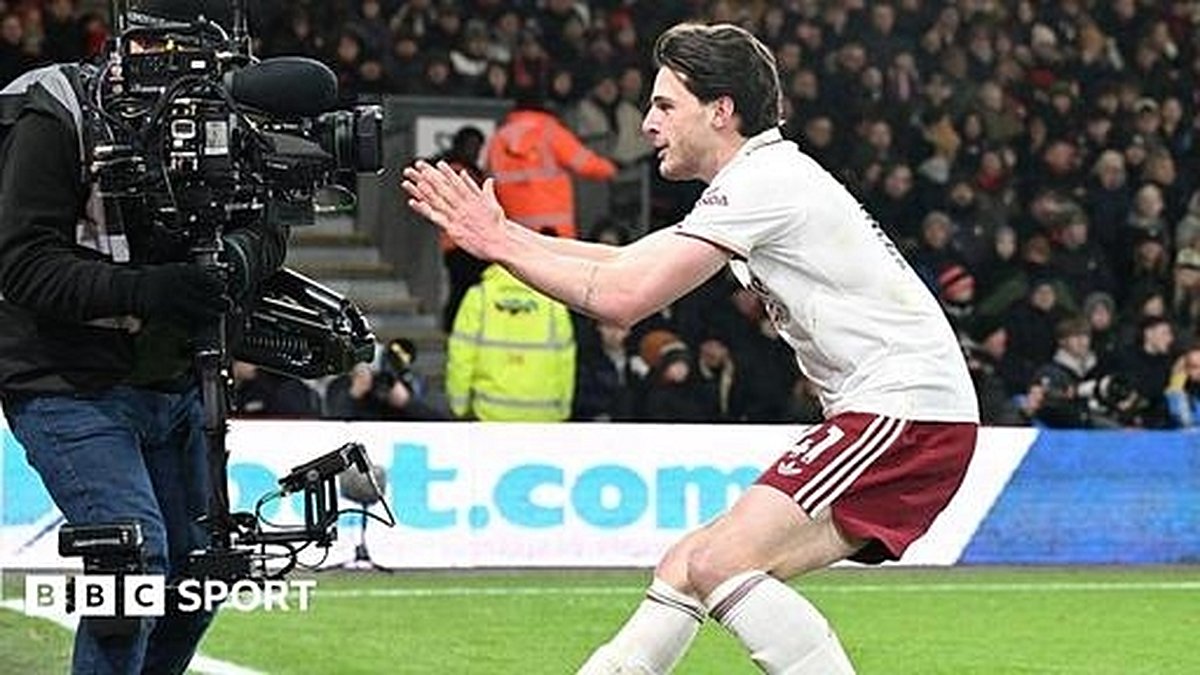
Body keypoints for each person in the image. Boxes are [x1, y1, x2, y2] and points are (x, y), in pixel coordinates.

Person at [404, 22, 978, 674]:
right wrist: (505, 234)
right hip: (912, 415)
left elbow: (622, 296)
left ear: (720, 110)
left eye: (664, 105)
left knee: (717, 563)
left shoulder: (762, 183)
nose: (649, 124)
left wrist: (499, 245)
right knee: (687, 565)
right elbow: (624, 261)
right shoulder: (765, 177)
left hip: (903, 413)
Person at [0, 2, 286, 673]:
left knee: (201, 574)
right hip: (65, 376)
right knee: (134, 565)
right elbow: (21, 263)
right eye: (162, 47)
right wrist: (150, 289)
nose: (178, 65)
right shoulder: (62, 109)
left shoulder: (238, 113)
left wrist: (234, 260)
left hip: (176, 376)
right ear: (127, 43)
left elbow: (271, 227)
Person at [483, 71, 617, 240]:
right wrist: (612, 168)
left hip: (514, 234)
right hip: (554, 234)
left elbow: (488, 181)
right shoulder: (550, 132)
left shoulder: (498, 140)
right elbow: (588, 165)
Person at [445, 263, 576, 421]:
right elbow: (565, 359)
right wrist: (564, 407)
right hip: (543, 415)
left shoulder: (480, 297)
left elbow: (461, 355)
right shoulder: (552, 300)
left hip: (490, 413)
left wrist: (458, 404)